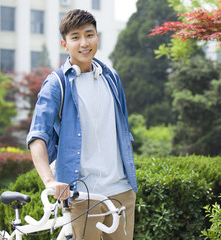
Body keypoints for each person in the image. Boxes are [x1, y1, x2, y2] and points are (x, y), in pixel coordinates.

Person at [26, 9, 137, 240]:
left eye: (89, 35)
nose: (84, 43)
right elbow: (37, 136)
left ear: (98, 37)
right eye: (75, 37)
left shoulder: (112, 78)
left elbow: (122, 130)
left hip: (122, 192)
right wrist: (50, 181)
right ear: (64, 44)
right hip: (82, 195)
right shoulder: (56, 84)